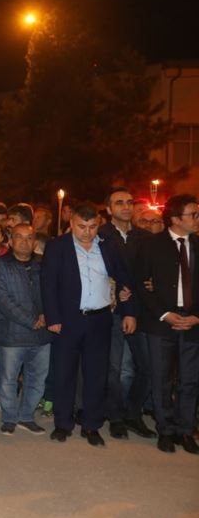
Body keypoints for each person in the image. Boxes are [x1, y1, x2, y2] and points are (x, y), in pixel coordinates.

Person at [41, 202, 136, 447]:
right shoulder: (57, 247)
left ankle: (92, 425)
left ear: (99, 224)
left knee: (97, 374)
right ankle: (63, 423)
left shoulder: (108, 246)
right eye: (82, 226)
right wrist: (53, 318)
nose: (87, 232)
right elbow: (48, 284)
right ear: (72, 223)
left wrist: (129, 312)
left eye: (92, 226)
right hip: (68, 320)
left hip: (100, 319)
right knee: (64, 373)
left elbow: (125, 280)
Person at [135, 194, 199, 454]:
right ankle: (166, 430)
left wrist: (197, 316)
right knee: (161, 379)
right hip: (161, 322)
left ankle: (186, 430)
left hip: (193, 322)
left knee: (190, 380)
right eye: (193, 214)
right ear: (175, 218)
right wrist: (164, 314)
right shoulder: (152, 245)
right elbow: (141, 284)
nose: (197, 218)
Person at [98, 187, 156, 440]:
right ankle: (116, 417)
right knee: (115, 368)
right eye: (119, 202)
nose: (126, 206)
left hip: (142, 310)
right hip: (112, 310)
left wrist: (155, 282)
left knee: (146, 367)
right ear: (108, 209)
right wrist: (114, 286)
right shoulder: (100, 236)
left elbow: (156, 269)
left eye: (129, 202)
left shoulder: (145, 238)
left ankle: (132, 413)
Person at [0, 224, 51, 435]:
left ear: (35, 242)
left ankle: (27, 416)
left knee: (37, 378)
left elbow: (53, 291)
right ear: (10, 241)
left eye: (29, 237)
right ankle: (9, 418)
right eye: (19, 237)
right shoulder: (0, 264)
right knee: (8, 379)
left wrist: (47, 314)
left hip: (42, 334)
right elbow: (2, 299)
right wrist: (30, 320)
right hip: (13, 333)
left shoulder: (44, 263)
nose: (24, 241)